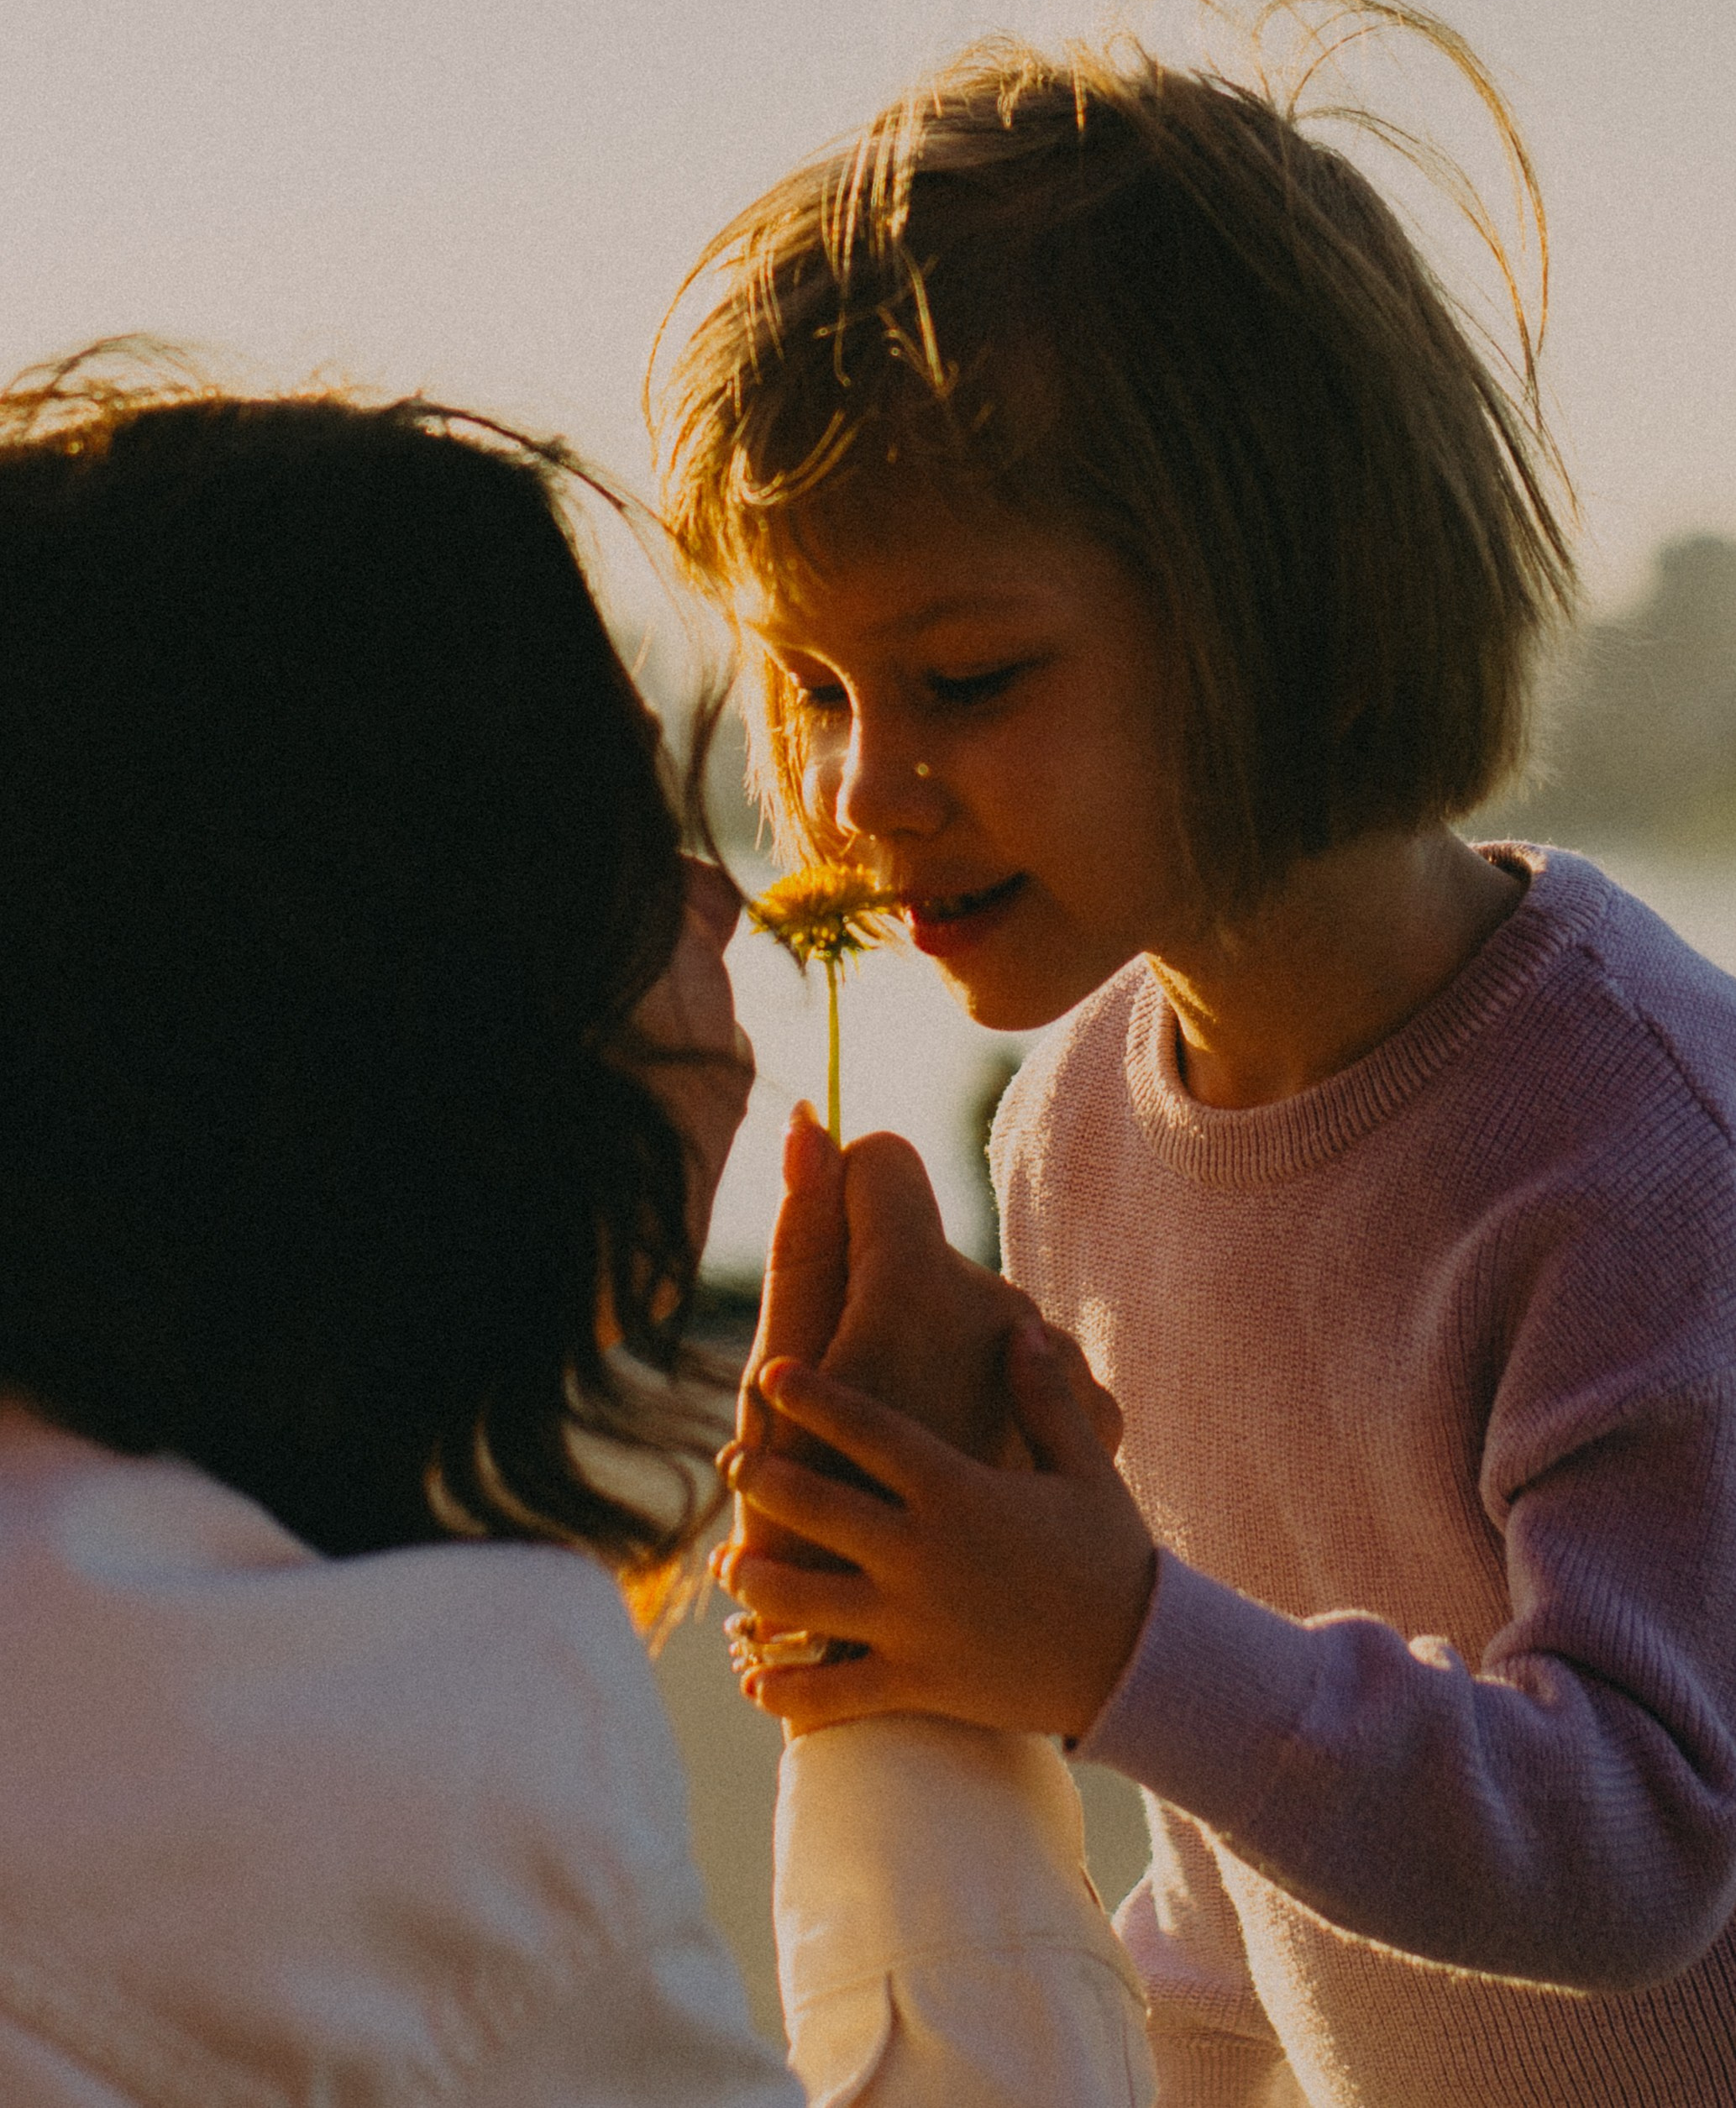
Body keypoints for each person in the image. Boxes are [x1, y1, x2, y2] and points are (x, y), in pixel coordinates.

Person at [657, 0, 1736, 2106]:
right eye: (814, 685)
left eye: (964, 677)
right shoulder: (1078, 1122)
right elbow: (1248, 1849)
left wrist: (1109, 1640)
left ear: (1289, 604)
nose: (860, 791)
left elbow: (1640, 1837)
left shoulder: (1634, 1143)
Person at [0, 355, 1154, 2105]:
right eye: (626, 835)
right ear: (432, 1009)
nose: (730, 900)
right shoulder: (380, 1766)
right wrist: (912, 1678)